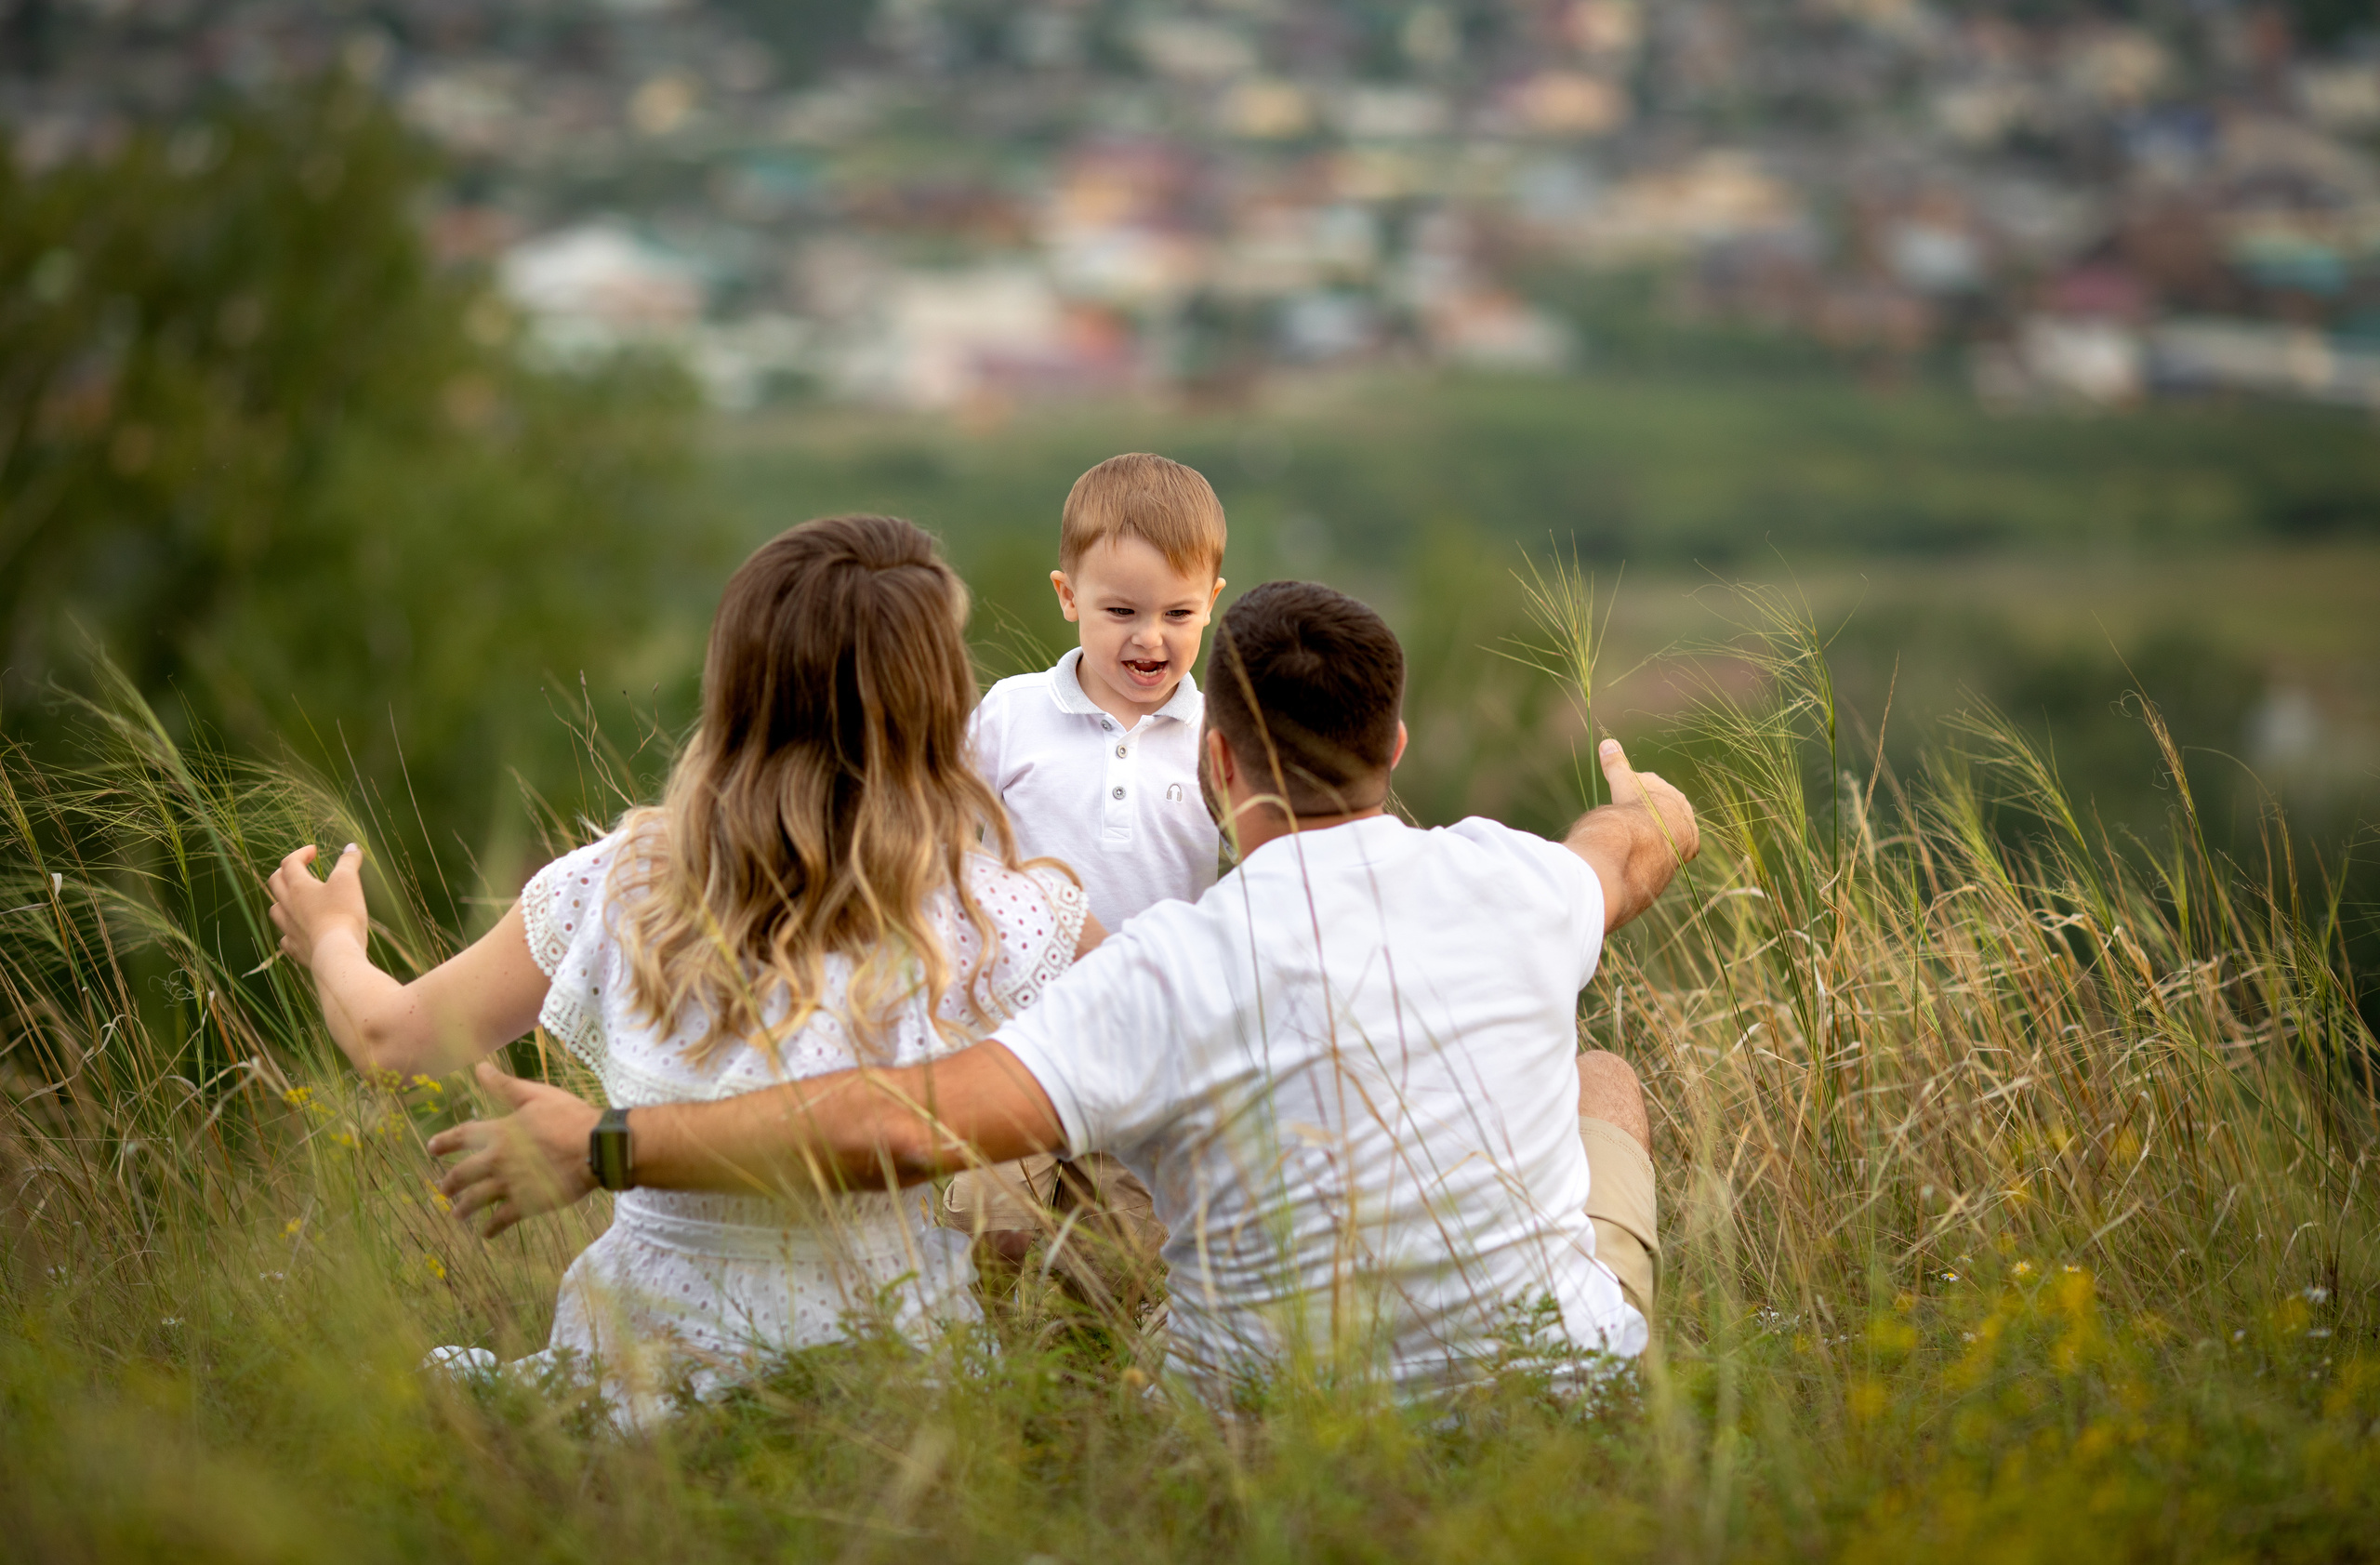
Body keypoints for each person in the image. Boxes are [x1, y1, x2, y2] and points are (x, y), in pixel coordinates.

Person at [430, 580, 1699, 1399]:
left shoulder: (1169, 965)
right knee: (1606, 1078)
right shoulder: (1523, 880)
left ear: (1215, 762)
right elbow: (1626, 845)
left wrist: (606, 1140)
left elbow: (888, 1125)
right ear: (1398, 750)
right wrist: (1653, 803)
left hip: (1261, 1429)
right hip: (1562, 1397)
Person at [266, 516, 1098, 1413]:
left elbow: (391, 1036)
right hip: (894, 1394)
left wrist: (333, 941)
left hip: (638, 1381)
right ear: (935, 702)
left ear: (737, 688)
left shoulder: (624, 883)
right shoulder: (994, 912)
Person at [946, 453, 1226, 1268]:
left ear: (1212, 602)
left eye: (1178, 612)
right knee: (989, 1230)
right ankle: (986, 1367)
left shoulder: (1216, 739)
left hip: (1143, 1050)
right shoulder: (1012, 714)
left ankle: (1080, 1383)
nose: (1150, 637)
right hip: (1010, 1027)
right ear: (1069, 597)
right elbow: (943, 836)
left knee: (1121, 1261)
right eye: (1120, 610)